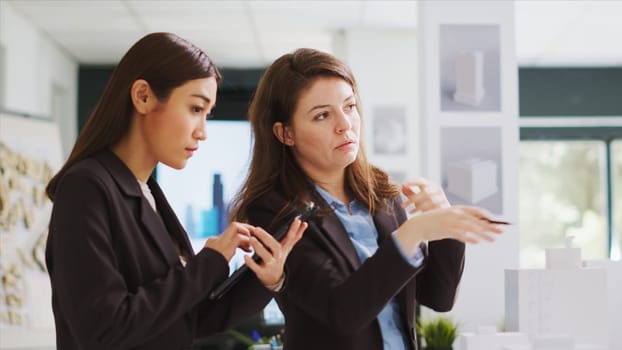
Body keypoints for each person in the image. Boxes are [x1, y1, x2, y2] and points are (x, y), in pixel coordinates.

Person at [44, 32, 307, 350]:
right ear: (143, 97)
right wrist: (210, 262)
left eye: (207, 114)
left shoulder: (150, 194)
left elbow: (191, 318)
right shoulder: (86, 187)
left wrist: (266, 279)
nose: (203, 132)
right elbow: (104, 328)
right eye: (196, 109)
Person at [230, 48, 505, 350]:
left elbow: (437, 298)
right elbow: (342, 312)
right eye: (322, 115)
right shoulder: (273, 210)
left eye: (349, 107)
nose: (344, 124)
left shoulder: (381, 195)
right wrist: (414, 232)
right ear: (285, 134)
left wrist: (444, 227)